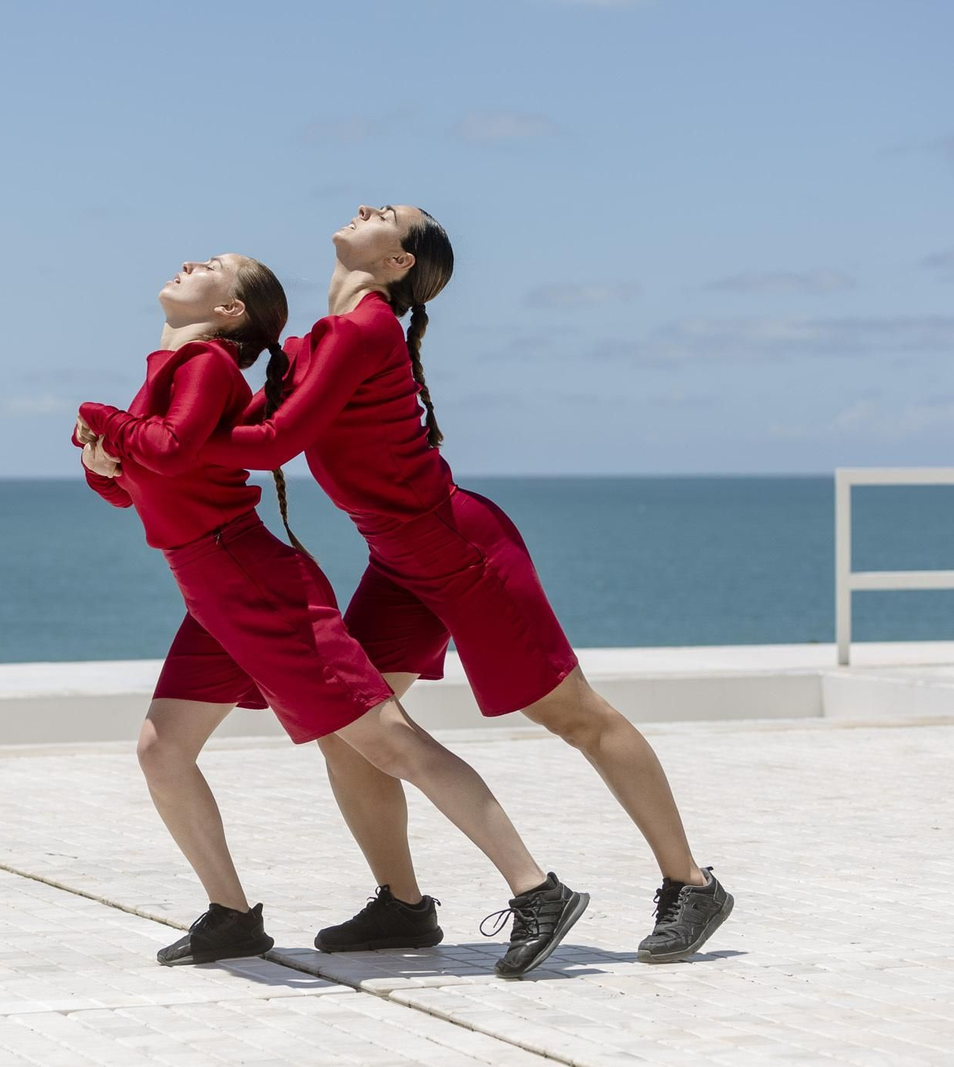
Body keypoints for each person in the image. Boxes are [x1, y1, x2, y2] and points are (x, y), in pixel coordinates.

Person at [187, 205, 733, 964]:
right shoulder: (315, 340)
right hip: (397, 558)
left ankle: (692, 882)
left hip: (460, 549)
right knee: (351, 731)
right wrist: (134, 443)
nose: (373, 209)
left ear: (399, 263)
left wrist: (153, 445)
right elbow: (238, 426)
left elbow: (276, 440)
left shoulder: (365, 327)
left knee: (576, 715)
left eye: (395, 217)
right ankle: (403, 906)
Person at [76, 252, 585, 976]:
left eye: (218, 266)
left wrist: (102, 419)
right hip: (209, 585)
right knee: (163, 748)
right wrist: (104, 465)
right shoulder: (167, 369)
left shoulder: (207, 366)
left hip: (251, 579)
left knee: (387, 741)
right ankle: (231, 917)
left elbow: (173, 446)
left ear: (231, 313)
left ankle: (539, 889)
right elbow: (145, 485)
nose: (196, 262)